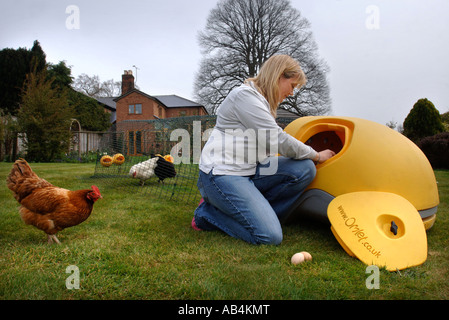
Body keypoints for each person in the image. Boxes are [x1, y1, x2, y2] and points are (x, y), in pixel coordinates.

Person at [192, 54, 335, 245]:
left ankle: (260, 215)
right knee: (269, 236)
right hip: (221, 175)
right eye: (292, 86)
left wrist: (309, 159)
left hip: (250, 170)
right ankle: (207, 214)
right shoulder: (244, 97)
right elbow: (277, 138)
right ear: (278, 76)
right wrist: (317, 155)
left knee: (304, 169)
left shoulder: (261, 102)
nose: (292, 93)